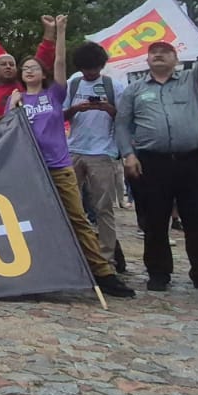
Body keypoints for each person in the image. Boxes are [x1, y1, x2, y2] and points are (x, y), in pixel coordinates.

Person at [0, 16, 135, 298]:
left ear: (42, 73)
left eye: (34, 67)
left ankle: (103, 272)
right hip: (29, 169)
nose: (29, 70)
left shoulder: (54, 94)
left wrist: (60, 32)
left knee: (78, 218)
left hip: (59, 167)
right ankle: (36, 270)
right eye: (26, 69)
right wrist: (11, 105)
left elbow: (59, 64)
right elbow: (6, 130)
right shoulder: (17, 99)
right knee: (30, 218)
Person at [116, 10, 198, 295]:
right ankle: (158, 273)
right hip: (152, 163)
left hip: (191, 161)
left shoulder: (191, 81)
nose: (159, 55)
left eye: (165, 52)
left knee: (195, 219)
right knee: (155, 221)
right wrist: (128, 154)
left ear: (175, 59)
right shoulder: (135, 90)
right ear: (147, 60)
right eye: (154, 52)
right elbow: (122, 124)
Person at [63, 41, 126, 274]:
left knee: (104, 208)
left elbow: (123, 118)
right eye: (86, 69)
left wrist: (108, 109)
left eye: (95, 69)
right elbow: (60, 115)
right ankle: (71, 252)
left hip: (103, 152)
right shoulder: (73, 83)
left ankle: (106, 258)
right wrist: (76, 109)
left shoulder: (114, 86)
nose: (91, 73)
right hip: (75, 149)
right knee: (69, 205)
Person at [0, 17, 57, 121]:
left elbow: (42, 58)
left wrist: (49, 31)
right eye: (3, 64)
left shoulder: (28, 85)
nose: (8, 66)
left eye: (11, 64)